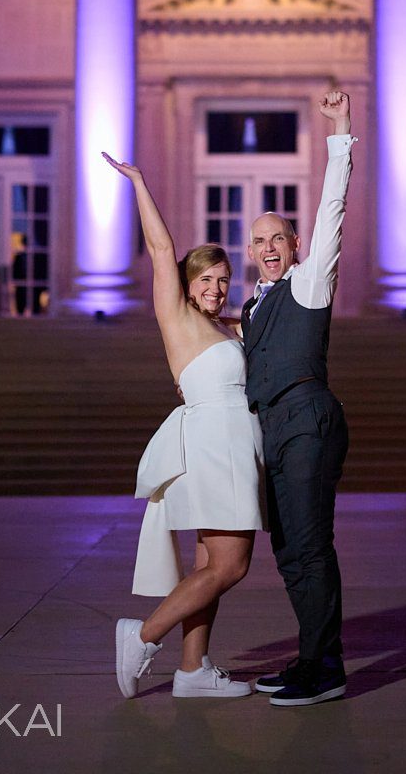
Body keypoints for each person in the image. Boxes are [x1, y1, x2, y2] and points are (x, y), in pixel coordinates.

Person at [102, 153, 267, 700]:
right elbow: (160, 250)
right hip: (211, 446)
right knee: (231, 564)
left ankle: (192, 671)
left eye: (223, 279)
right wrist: (140, 183)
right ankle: (143, 634)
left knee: (209, 567)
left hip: (233, 447)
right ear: (187, 282)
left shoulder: (229, 328)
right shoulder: (177, 316)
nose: (217, 288)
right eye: (206, 279)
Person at [241, 90, 355, 707]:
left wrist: (341, 131)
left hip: (307, 418)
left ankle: (326, 666)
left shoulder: (308, 286)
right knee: (287, 549)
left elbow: (332, 208)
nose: (268, 248)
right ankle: (311, 654)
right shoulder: (250, 310)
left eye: (279, 238)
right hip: (271, 431)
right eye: (259, 241)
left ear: (294, 246)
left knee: (310, 543)